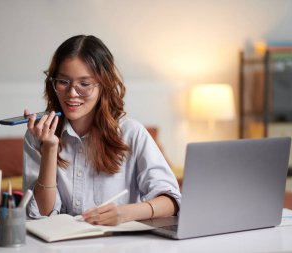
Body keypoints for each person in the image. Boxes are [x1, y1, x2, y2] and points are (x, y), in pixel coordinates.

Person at [23, 35, 181, 226]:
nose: (72, 93)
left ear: (103, 85)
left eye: (85, 84)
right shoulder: (37, 136)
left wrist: (126, 213)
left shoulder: (131, 132)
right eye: (63, 81)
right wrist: (49, 148)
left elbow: (172, 201)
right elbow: (41, 214)